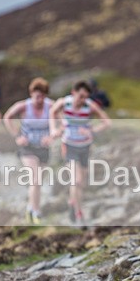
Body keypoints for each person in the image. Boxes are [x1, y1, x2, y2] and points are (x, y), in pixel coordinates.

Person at [49, 80, 111, 225]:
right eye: (81, 96)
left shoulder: (89, 106)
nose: (83, 100)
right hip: (69, 145)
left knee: (81, 183)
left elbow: (107, 122)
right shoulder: (65, 103)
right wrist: (54, 128)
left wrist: (91, 131)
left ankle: (73, 203)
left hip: (85, 147)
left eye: (85, 97)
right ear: (73, 93)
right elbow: (52, 111)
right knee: (75, 181)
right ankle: (79, 213)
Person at [3, 77, 55, 224]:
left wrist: (52, 135)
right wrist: (17, 135)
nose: (39, 99)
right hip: (27, 148)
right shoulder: (23, 106)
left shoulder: (50, 106)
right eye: (37, 96)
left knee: (37, 182)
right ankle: (36, 214)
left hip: (43, 149)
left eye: (42, 96)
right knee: (36, 180)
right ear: (31, 93)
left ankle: (29, 208)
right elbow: (7, 117)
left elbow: (63, 122)